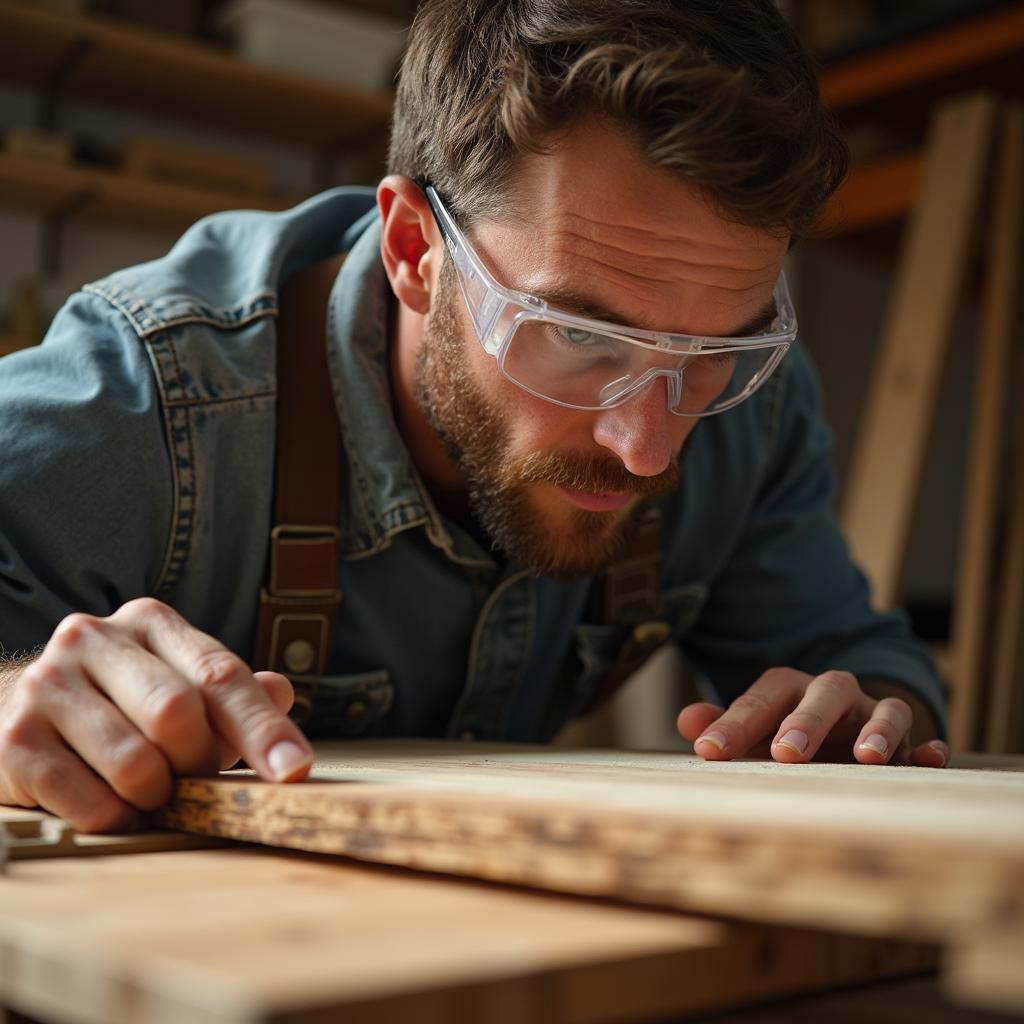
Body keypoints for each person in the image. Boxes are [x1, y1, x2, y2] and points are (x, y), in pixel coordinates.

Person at [0, 0, 949, 833]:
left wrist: (870, 712)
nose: (648, 445)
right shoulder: (153, 401)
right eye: (581, 339)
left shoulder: (751, 403)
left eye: (711, 356)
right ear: (415, 249)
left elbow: (855, 659)